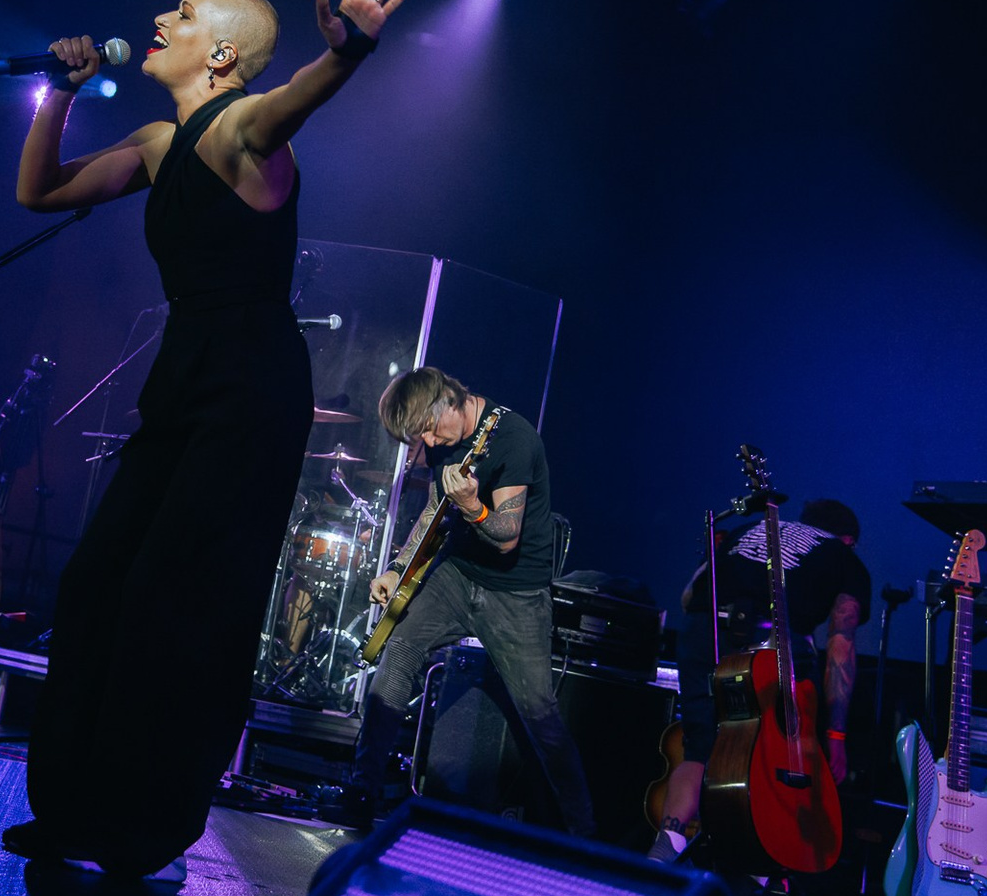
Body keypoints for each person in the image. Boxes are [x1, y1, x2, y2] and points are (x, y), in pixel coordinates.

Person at [6, 0, 410, 881]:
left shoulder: (243, 128)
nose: (161, 18)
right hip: (184, 376)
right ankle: (70, 807)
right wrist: (59, 94)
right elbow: (40, 192)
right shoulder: (158, 142)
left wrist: (347, 53)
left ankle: (143, 827)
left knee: (176, 598)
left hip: (250, 383)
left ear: (222, 55)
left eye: (184, 13)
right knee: (98, 581)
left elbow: (293, 101)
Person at [339, 366, 597, 837]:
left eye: (430, 429)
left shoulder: (514, 439)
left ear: (450, 401)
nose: (430, 442)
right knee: (398, 652)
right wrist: (398, 569)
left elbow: (506, 537)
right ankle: (361, 791)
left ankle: (583, 836)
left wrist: (474, 506)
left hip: (516, 591)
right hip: (458, 574)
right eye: (421, 436)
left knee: (540, 714)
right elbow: (433, 509)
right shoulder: (444, 438)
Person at [649, 497, 868, 863]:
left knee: (699, 748)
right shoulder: (844, 556)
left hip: (705, 629)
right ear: (848, 540)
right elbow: (841, 645)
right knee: (773, 751)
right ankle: (762, 861)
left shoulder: (750, 529)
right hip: (769, 643)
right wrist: (836, 734)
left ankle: (666, 844)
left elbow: (689, 596)